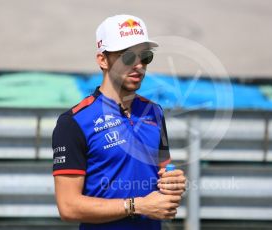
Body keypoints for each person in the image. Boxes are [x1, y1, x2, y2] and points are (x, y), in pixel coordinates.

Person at [52, 14, 186, 230]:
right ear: (102, 60)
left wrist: (174, 183)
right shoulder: (74, 122)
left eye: (145, 57)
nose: (139, 65)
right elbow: (68, 207)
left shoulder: (154, 112)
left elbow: (164, 173)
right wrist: (137, 206)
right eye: (127, 57)